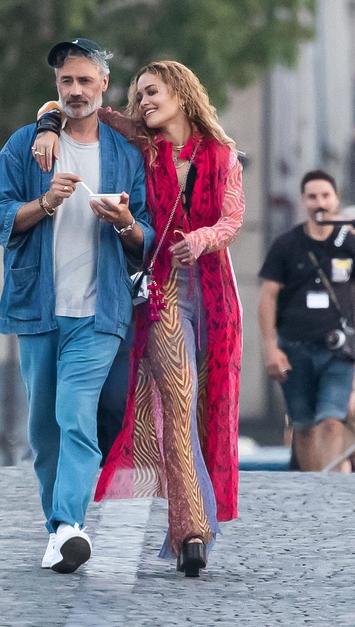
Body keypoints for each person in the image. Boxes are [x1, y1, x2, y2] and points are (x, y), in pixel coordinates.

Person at [33, 60, 244, 577]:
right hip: (164, 290)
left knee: (207, 407)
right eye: (139, 95)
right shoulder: (141, 146)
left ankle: (193, 523)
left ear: (182, 94)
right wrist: (46, 126)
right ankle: (191, 532)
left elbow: (232, 217)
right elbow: (71, 104)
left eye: (153, 92)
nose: (144, 102)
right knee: (177, 402)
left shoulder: (222, 154)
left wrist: (203, 238)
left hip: (214, 295)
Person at [0, 38, 154, 574]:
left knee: (75, 415)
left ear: (104, 83)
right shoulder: (27, 145)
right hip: (37, 307)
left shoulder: (125, 155)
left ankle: (69, 526)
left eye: (84, 80)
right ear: (56, 88)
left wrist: (125, 224)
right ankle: (58, 530)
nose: (75, 90)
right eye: (66, 81)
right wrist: (46, 202)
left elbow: (147, 234)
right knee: (44, 428)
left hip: (101, 310)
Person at [258, 169, 355, 473]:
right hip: (294, 349)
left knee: (332, 421)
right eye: (312, 197)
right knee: (302, 425)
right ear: (303, 200)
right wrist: (270, 348)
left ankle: (329, 490)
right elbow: (268, 296)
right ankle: (309, 488)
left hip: (339, 350)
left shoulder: (350, 243)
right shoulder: (286, 244)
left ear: (336, 198)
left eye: (325, 195)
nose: (319, 202)